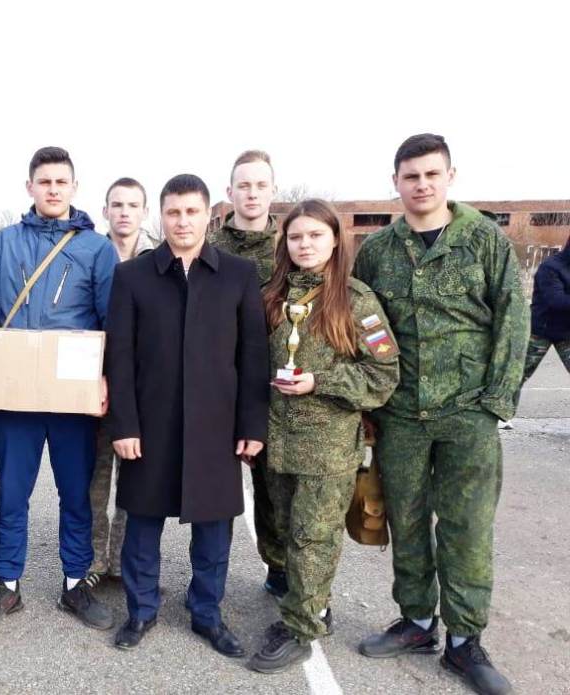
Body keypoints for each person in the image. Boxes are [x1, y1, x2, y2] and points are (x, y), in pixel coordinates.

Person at [354, 134, 528, 695]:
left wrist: (496, 401)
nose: (422, 184)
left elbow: (513, 319)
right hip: (402, 413)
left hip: (467, 412)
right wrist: (369, 404)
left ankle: (465, 642)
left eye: (432, 174)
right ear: (396, 182)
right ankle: (416, 621)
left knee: (466, 527)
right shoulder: (378, 251)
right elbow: (365, 328)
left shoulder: (484, 240)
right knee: (405, 520)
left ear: (450, 176)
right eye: (411, 176)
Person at [0, 146, 119, 633]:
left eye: (61, 182)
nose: (52, 189)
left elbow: (111, 319)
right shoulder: (5, 243)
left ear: (73, 187)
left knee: (75, 494)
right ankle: (6, 584)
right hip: (14, 393)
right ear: (30, 187)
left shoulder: (96, 249)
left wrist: (108, 376)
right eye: (44, 181)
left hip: (71, 397)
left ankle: (75, 583)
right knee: (12, 494)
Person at [105, 174, 269, 656]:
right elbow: (119, 358)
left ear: (208, 216)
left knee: (214, 529)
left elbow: (253, 356)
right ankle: (141, 610)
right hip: (150, 425)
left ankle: (207, 614)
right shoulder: (133, 276)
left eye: (192, 211)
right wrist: (124, 424)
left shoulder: (238, 275)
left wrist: (252, 424)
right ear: (161, 216)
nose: (182, 221)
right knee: (142, 524)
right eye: (173, 212)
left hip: (216, 426)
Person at [248, 200, 399, 674]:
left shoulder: (356, 301)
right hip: (274, 443)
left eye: (315, 235)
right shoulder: (271, 296)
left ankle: (301, 628)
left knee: (313, 538)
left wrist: (321, 381)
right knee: (277, 531)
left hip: (326, 448)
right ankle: (305, 598)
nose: (305, 244)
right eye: (296, 237)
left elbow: (383, 375)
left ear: (335, 240)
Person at [207, 149, 287, 598]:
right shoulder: (211, 248)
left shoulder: (291, 245)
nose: (252, 194)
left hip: (282, 385)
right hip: (221, 385)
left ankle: (280, 569)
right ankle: (211, 581)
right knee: (219, 488)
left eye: (260, 185)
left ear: (273, 190)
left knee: (277, 487)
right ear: (230, 191)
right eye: (244, 185)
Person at [85, 177, 154, 589]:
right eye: (117, 205)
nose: (124, 212)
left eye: (132, 205)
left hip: (140, 388)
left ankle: (123, 562)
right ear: (105, 210)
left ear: (144, 212)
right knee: (93, 482)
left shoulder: (158, 258)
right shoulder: (91, 253)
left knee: (134, 482)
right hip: (93, 385)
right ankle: (94, 561)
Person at [524, 235, 570, 380]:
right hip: (541, 330)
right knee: (513, 378)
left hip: (566, 332)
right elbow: (556, 300)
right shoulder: (550, 267)